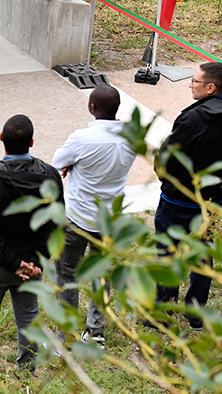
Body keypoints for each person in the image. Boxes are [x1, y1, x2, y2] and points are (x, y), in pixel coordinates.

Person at [0, 114, 62, 380]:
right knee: (29, 322)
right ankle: (26, 374)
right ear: (32, 141)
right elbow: (55, 226)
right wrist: (35, 262)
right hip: (33, 266)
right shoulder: (50, 177)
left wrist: (13, 264)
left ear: (1, 139)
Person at [51, 85, 136, 347]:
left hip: (78, 217)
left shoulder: (82, 138)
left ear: (91, 107)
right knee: (101, 275)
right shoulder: (132, 139)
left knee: (66, 274)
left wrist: (72, 165)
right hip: (109, 221)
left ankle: (65, 334)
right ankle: (96, 331)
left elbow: (56, 162)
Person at [153, 61, 222, 330]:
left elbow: (168, 158)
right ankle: (195, 314)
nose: (190, 84)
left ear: (210, 87)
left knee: (167, 253)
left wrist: (165, 177)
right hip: (211, 203)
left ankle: (165, 307)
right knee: (202, 254)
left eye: (195, 81)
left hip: (177, 201)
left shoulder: (192, 118)